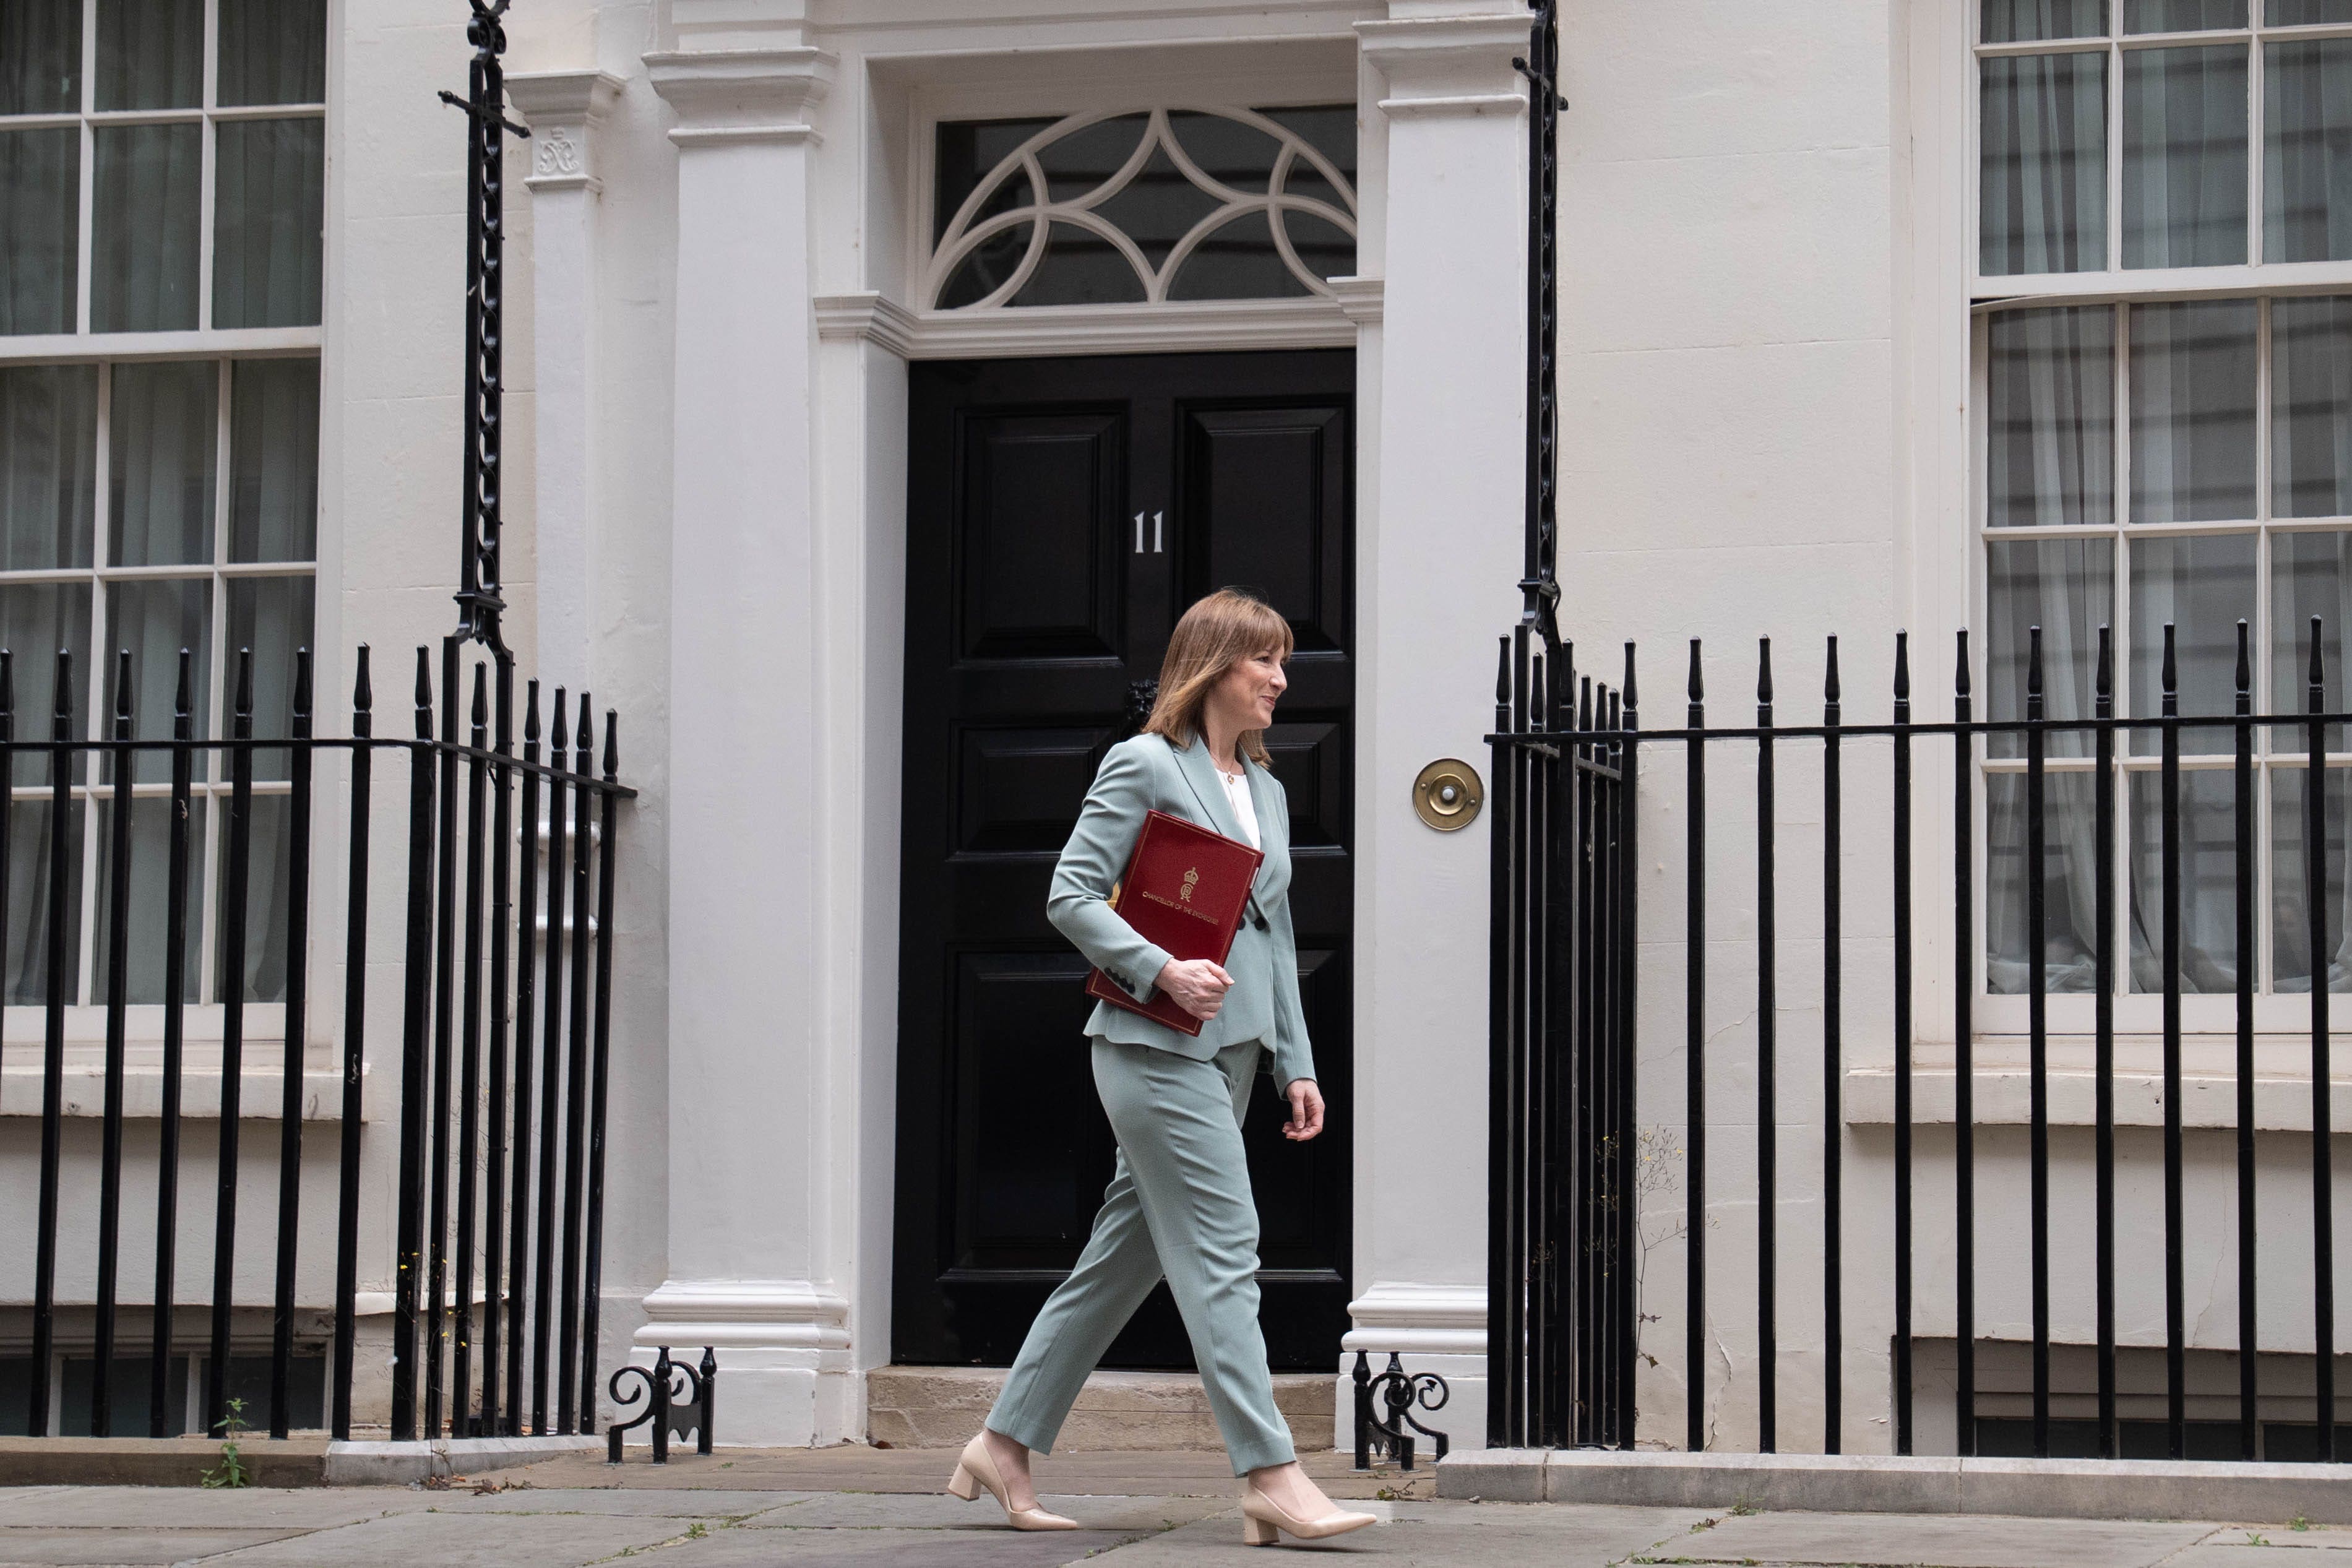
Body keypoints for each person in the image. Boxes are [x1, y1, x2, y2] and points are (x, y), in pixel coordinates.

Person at [945, 587, 1377, 1548]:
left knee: (1121, 1259)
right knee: (1225, 1248)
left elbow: (1274, 934)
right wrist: (1159, 966)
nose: (1280, 678)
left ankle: (1001, 1443)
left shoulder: (1264, 788)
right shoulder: (1143, 762)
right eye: (1264, 659)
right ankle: (1270, 1473)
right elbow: (1069, 893)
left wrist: (1295, 1061)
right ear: (1214, 664)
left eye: (1283, 661)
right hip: (1149, 1047)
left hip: (1234, 1050)